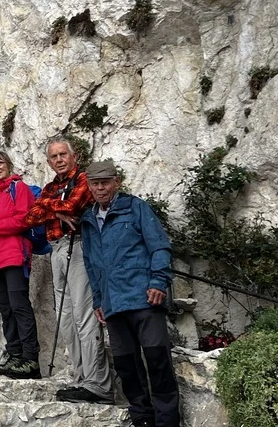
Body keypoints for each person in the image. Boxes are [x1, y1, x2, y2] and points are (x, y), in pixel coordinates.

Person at [81, 160, 181, 427]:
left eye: (105, 182)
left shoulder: (136, 207)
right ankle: (143, 420)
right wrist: (99, 300)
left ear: (117, 183)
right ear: (89, 186)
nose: (100, 188)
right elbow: (91, 265)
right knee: (127, 369)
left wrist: (159, 282)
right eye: (95, 183)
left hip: (144, 299)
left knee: (158, 362)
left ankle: (167, 422)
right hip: (113, 305)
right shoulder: (88, 220)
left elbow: (159, 246)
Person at [24, 136, 113, 403]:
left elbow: (72, 206)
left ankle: (98, 383)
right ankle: (79, 377)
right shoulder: (52, 186)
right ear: (49, 161)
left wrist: (49, 210)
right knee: (65, 318)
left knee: (84, 315)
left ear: (74, 156)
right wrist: (56, 213)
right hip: (56, 249)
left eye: (63, 154)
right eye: (54, 156)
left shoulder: (83, 179)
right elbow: (30, 216)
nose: (59, 160)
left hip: (78, 245)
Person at [0, 150, 41, 379]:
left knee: (19, 305)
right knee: (5, 308)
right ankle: (15, 354)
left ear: (9, 164)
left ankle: (30, 359)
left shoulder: (19, 188)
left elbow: (25, 218)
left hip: (15, 255)